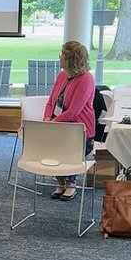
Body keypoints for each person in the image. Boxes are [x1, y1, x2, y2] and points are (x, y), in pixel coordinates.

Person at [43, 40, 98, 200]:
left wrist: (52, 124)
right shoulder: (62, 75)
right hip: (58, 125)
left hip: (79, 130)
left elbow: (73, 112)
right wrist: (47, 119)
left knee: (66, 144)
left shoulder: (86, 79)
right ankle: (60, 181)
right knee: (45, 140)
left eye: (62, 55)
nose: (59, 57)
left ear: (70, 59)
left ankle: (71, 184)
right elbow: (51, 102)